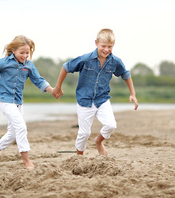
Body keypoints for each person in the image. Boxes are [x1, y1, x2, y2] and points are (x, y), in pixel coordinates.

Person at [0, 35, 55, 169]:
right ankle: (26, 161)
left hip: (18, 101)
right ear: (13, 51)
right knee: (21, 127)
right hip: (4, 100)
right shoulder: (4, 62)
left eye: (27, 53)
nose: (25, 55)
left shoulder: (29, 65)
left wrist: (52, 90)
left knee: (13, 133)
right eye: (21, 53)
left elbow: (38, 80)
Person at [52, 28, 138, 157]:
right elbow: (66, 67)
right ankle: (79, 156)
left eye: (110, 46)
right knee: (84, 133)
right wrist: (58, 87)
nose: (106, 49)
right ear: (96, 43)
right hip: (84, 100)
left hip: (102, 99)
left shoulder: (115, 62)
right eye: (103, 46)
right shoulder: (85, 59)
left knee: (110, 125)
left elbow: (126, 74)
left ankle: (98, 141)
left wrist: (133, 94)